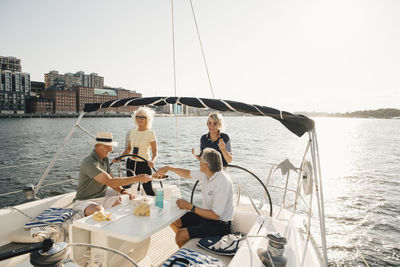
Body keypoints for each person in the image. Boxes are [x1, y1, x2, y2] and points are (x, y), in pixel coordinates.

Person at [155, 148, 234, 247]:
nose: (199, 161)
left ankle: (185, 246)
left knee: (180, 235)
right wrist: (169, 168)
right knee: (173, 219)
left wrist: (190, 207)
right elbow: (187, 174)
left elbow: (215, 215)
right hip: (206, 217)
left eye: (200, 160)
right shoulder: (206, 173)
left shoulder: (222, 181)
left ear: (206, 165)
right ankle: (187, 245)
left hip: (220, 225)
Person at [73, 132, 152, 217]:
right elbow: (110, 182)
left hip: (103, 197)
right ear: (97, 146)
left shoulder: (104, 159)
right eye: (107, 146)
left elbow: (111, 179)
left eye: (111, 146)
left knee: (129, 202)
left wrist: (123, 191)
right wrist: (138, 178)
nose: (111, 149)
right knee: (99, 212)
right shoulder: (89, 163)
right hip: (85, 201)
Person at [114, 106, 158, 195]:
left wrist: (152, 161)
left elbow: (155, 151)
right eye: (137, 117)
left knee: (148, 189)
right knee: (129, 186)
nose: (139, 119)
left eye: (142, 117)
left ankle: (155, 207)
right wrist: (119, 158)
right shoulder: (132, 132)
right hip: (131, 162)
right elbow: (128, 149)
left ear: (147, 119)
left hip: (144, 164)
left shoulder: (150, 133)